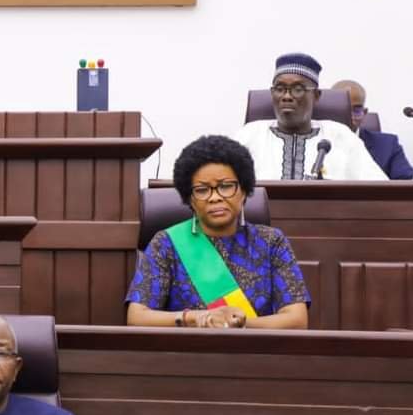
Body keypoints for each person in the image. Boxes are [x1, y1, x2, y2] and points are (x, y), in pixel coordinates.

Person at [126, 135, 310, 330]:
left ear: (244, 191)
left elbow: (297, 320)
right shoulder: (166, 243)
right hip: (187, 354)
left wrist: (241, 324)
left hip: (256, 354)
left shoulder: (272, 242)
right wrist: (194, 318)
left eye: (225, 186)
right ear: (190, 199)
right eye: (202, 190)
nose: (215, 197)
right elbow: (137, 317)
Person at [233, 53, 387, 180]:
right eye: (279, 89)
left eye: (298, 89)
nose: (286, 96)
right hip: (260, 218)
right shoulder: (249, 134)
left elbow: (378, 189)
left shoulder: (340, 135)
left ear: (316, 95)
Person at [332, 79, 413, 180]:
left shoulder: (388, 145)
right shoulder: (316, 140)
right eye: (343, 109)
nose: (349, 116)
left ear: (364, 113)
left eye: (356, 110)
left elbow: (407, 184)